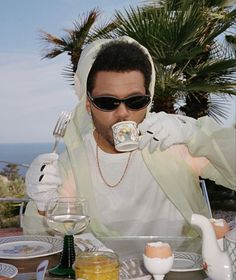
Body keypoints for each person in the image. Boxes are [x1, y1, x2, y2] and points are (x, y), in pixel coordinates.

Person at [23, 36, 236, 237]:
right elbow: (46, 241)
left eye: (135, 101)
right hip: (105, 273)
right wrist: (42, 207)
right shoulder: (73, 164)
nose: (123, 113)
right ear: (88, 105)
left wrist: (196, 136)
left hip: (187, 269)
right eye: (108, 102)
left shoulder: (173, 141)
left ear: (148, 100)